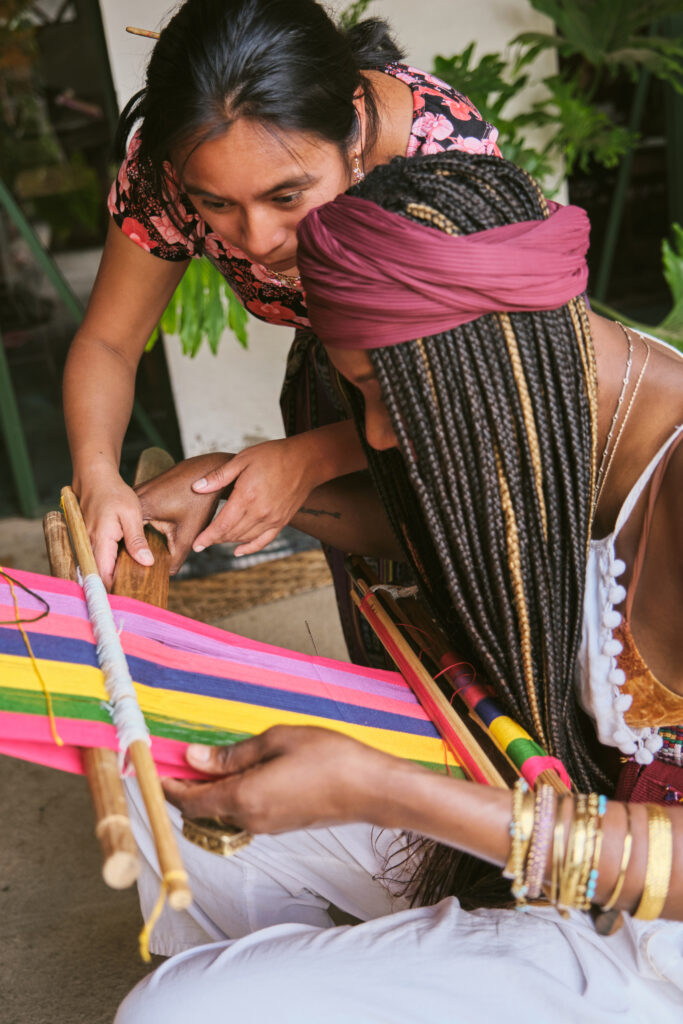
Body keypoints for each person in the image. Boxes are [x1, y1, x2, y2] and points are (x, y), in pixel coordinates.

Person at [115, 152, 682, 1023]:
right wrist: (239, 496)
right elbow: (461, 533)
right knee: (177, 797)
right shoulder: (560, 410)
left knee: (175, 1011)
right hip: (557, 822)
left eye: (386, 394)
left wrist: (385, 789)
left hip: (656, 939)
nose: (376, 434)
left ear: (488, 358)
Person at [63, 0, 500, 663]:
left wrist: (304, 459)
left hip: (474, 399)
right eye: (216, 205)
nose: (259, 238)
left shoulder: (438, 155)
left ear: (352, 132)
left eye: (287, 197)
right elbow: (108, 343)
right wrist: (98, 478)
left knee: (489, 621)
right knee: (385, 625)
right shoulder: (165, 172)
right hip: (336, 376)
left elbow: (488, 383)